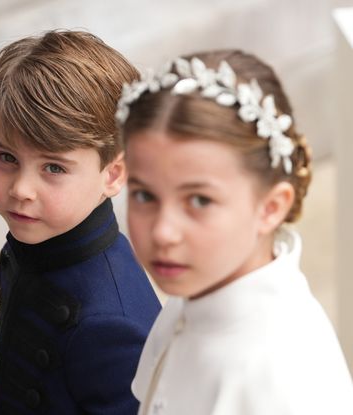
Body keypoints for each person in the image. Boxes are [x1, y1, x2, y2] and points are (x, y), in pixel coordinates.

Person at [116, 49, 353, 414]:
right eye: (145, 195)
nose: (163, 232)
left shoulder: (287, 381)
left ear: (271, 208)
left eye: (198, 201)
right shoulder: (195, 291)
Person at [0, 29, 161, 415]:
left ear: (113, 175)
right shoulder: (35, 245)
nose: (21, 189)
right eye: (7, 158)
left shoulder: (112, 326)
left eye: (53, 167)